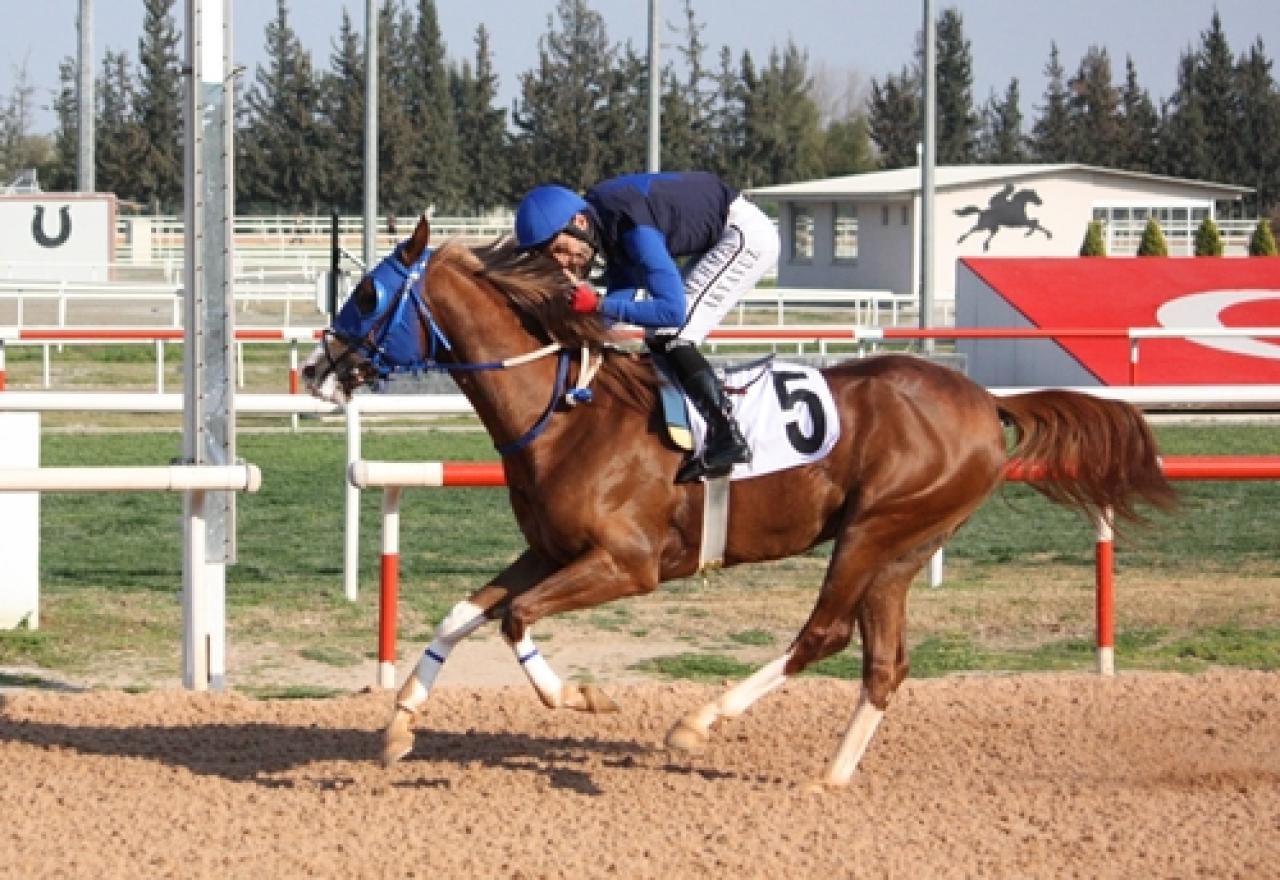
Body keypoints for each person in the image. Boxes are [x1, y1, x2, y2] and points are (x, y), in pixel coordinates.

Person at [513, 171, 780, 482]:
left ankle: (727, 436)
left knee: (672, 334)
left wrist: (597, 305)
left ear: (579, 224)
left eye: (559, 249)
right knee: (658, 337)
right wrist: (584, 324)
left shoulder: (632, 228)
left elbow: (671, 311)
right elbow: (622, 292)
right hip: (721, 229)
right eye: (550, 257)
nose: (561, 263)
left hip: (744, 235)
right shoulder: (606, 219)